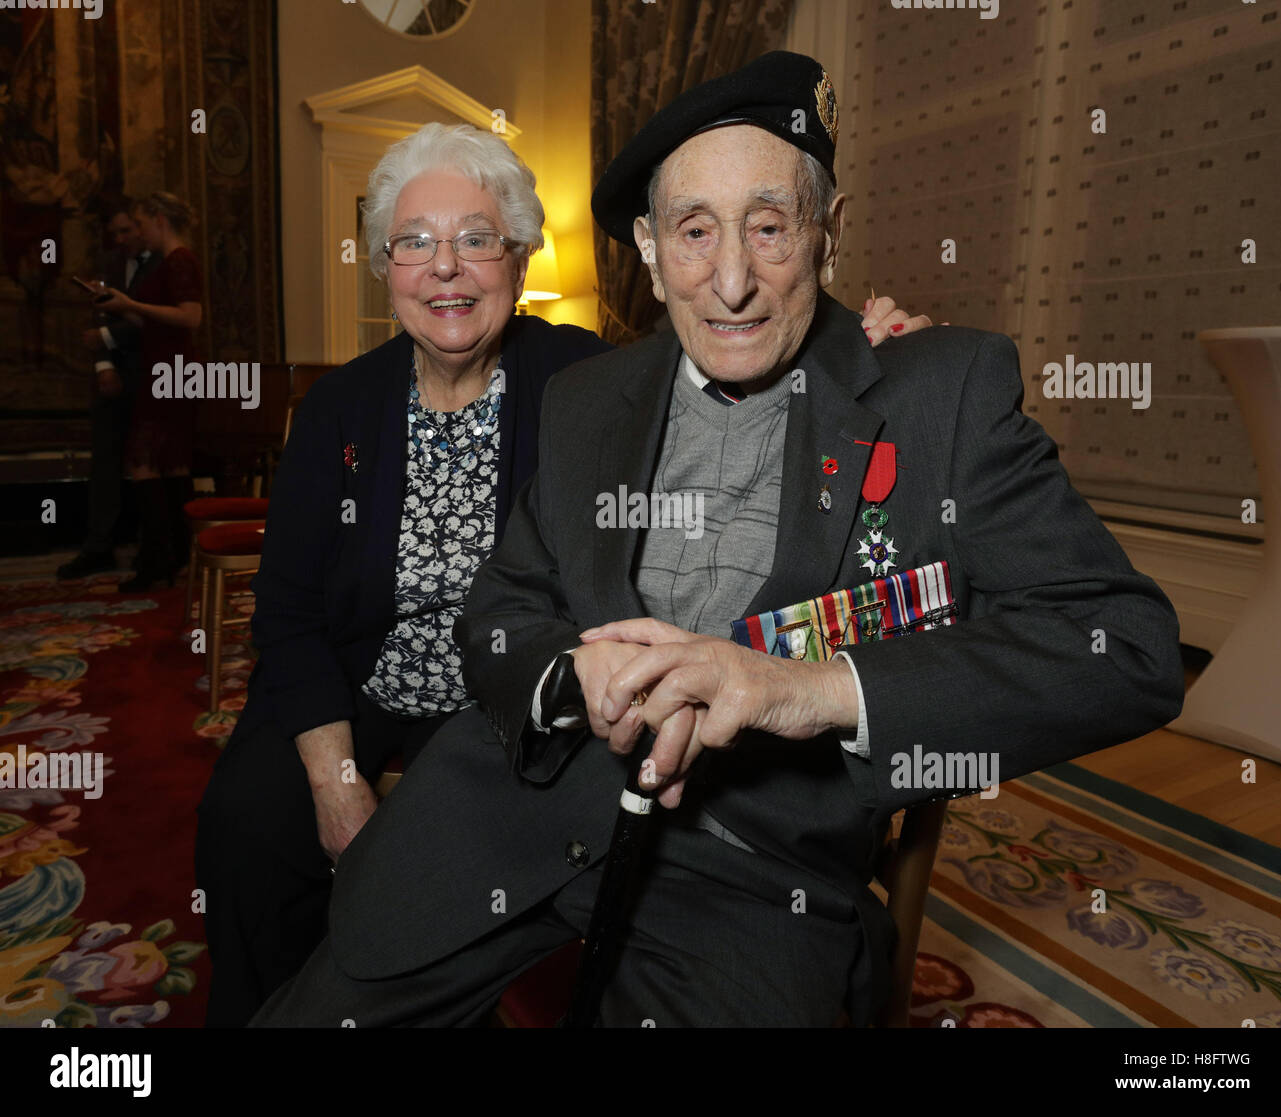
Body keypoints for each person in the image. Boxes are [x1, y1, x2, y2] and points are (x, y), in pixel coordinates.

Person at [251, 52, 1183, 1028]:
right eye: (694, 232)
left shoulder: (937, 392)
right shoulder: (586, 398)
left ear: (826, 232)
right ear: (649, 249)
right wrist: (570, 676)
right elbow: (500, 609)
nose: (730, 282)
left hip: (753, 870)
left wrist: (807, 689)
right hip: (510, 812)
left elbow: (1124, 648)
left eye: (769, 227)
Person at [194, 118, 933, 1027]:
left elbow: (735, 331)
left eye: (477, 240)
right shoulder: (337, 408)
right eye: (416, 244)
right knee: (247, 824)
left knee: (469, 857)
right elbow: (292, 614)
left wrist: (869, 343)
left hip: (510, 694)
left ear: (517, 255)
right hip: (359, 677)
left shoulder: (583, 373)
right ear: (385, 266)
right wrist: (335, 777)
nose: (447, 269)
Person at [95, 191, 203, 591]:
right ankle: (176, 558)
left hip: (171, 373)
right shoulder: (170, 262)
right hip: (167, 370)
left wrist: (133, 306)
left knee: (144, 463)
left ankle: (158, 561)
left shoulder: (179, 259)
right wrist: (122, 307)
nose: (138, 232)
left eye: (140, 223)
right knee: (171, 464)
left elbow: (191, 317)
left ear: (159, 219)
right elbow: (159, 323)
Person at [58, 199, 159, 580]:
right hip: (111, 376)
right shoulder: (112, 264)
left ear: (140, 227)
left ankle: (151, 549)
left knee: (150, 464)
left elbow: (154, 320)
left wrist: (103, 336)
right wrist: (103, 364)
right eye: (114, 233)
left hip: (150, 376)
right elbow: (98, 311)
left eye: (126, 231)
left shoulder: (163, 264)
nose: (120, 239)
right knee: (104, 464)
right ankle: (99, 546)